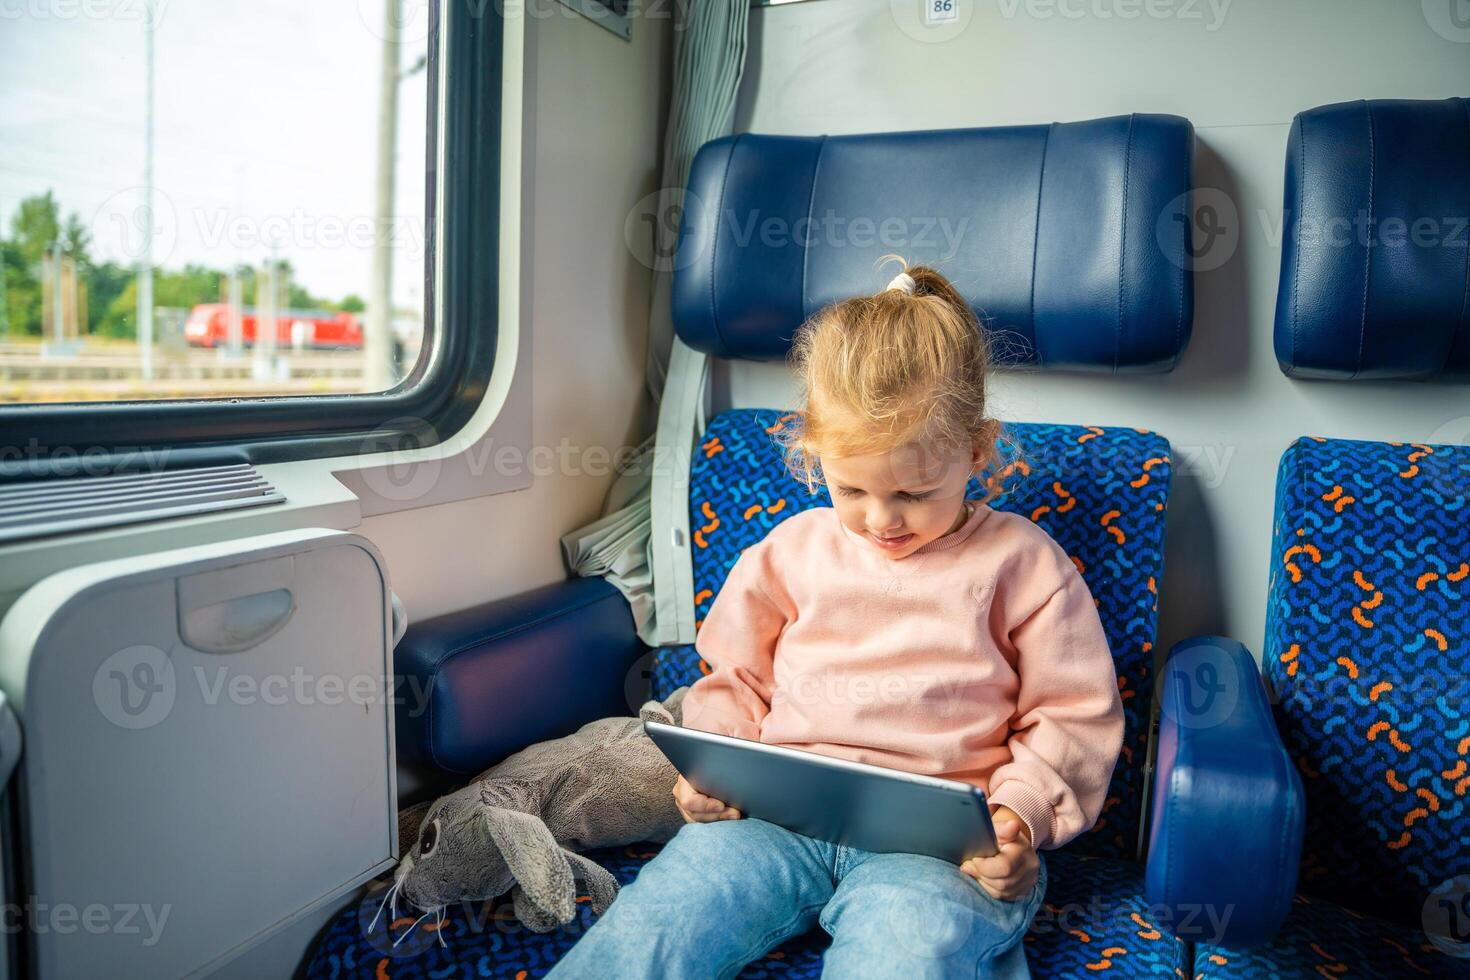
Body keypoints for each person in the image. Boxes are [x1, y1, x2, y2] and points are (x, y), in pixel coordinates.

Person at [548, 257, 1124, 979]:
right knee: (654, 927)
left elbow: (1072, 716)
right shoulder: (790, 552)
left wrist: (1020, 816)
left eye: (916, 492)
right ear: (813, 452)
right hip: (777, 821)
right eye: (851, 488)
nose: (882, 521)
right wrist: (711, 764)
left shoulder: (1024, 565)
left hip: (941, 852)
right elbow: (736, 679)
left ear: (977, 450)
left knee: (905, 955)